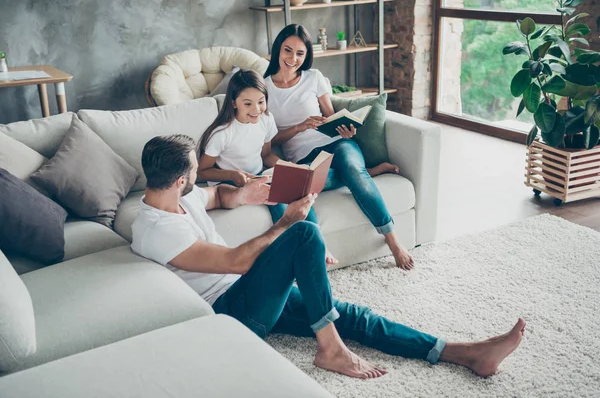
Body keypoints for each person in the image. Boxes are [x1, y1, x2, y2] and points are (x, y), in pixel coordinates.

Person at [131, 134, 526, 380]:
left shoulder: (179, 197)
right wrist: (284, 223)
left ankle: (464, 353)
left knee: (349, 315)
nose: (199, 181)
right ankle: (331, 349)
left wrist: (243, 195)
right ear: (181, 180)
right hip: (232, 312)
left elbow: (214, 195)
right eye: (194, 176)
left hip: (250, 292)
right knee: (303, 232)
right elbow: (235, 262)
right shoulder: (156, 231)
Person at [263, 24, 416, 271]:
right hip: (304, 157)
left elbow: (331, 118)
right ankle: (368, 172)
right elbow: (270, 141)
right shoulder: (265, 88)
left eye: (300, 54)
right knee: (306, 185)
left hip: (336, 144)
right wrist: (299, 128)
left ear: (306, 56)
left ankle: (393, 241)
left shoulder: (313, 78)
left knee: (351, 166)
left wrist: (345, 130)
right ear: (278, 49)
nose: (293, 59)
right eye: (287, 50)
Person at [196, 69, 337, 265]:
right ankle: (299, 252)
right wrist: (233, 174)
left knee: (300, 192)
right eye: (248, 103)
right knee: (277, 198)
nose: (256, 109)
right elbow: (202, 171)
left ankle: (319, 241)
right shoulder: (222, 133)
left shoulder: (266, 120)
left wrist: (290, 168)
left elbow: (266, 155)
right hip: (230, 182)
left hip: (258, 174)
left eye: (261, 102)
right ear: (233, 103)